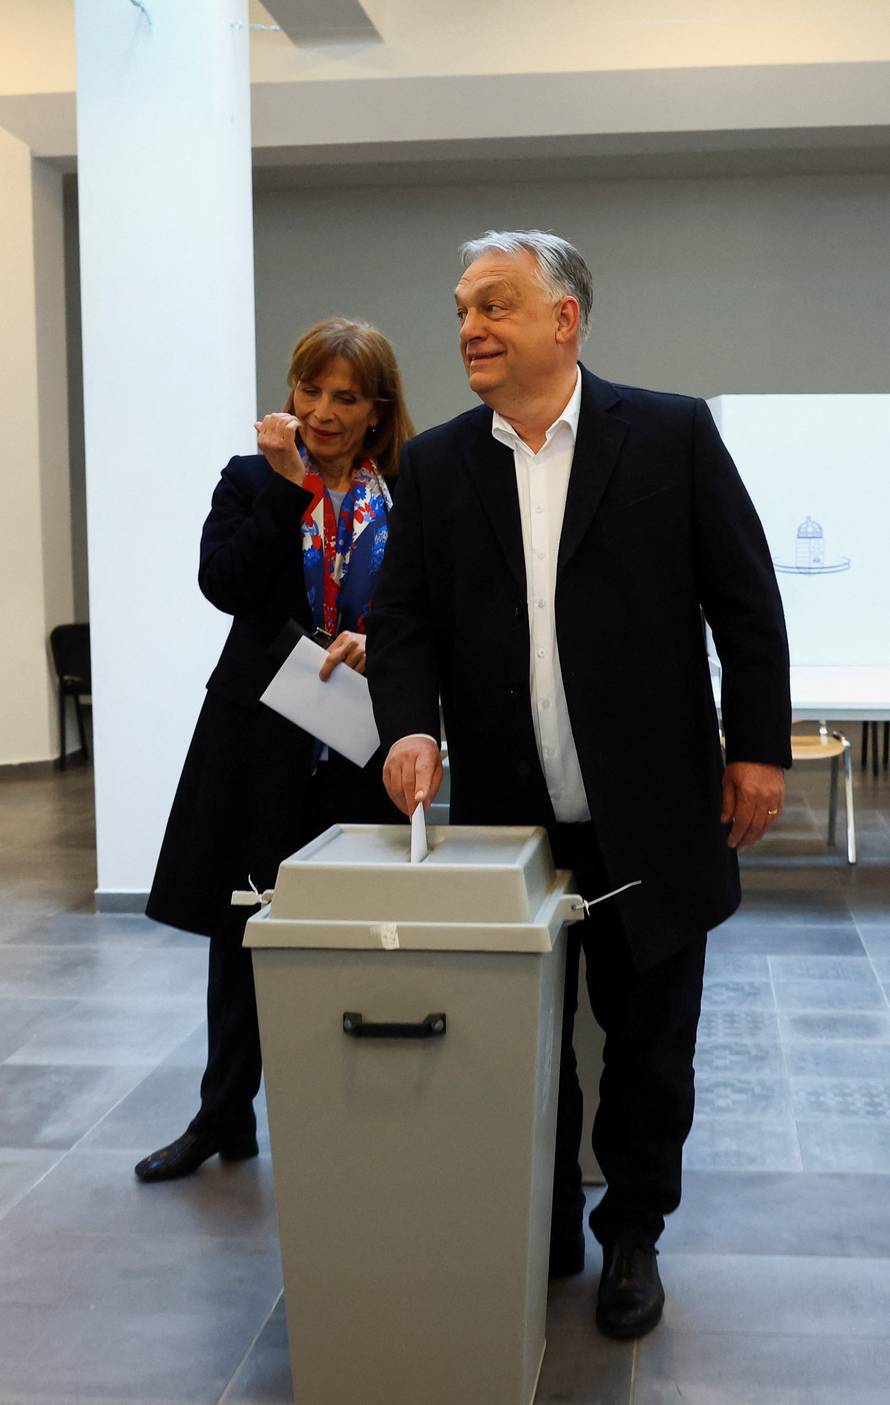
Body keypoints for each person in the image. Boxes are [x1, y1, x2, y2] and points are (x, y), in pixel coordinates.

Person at [365, 231, 790, 1339]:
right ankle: (544, 1219)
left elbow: (745, 604)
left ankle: (633, 1233)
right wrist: (407, 724)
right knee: (519, 1035)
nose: (470, 326)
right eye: (462, 307)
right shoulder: (437, 464)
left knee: (648, 1044)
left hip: (652, 813)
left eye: (495, 304)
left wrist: (756, 749)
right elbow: (401, 620)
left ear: (564, 319)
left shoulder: (669, 434)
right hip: (509, 826)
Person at [136, 318, 413, 1183]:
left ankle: (348, 1117)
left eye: (345, 397)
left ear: (376, 411)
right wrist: (290, 490)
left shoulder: (405, 490)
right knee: (241, 924)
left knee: (353, 929)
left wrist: (380, 640)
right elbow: (225, 585)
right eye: (309, 389)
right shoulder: (252, 478)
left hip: (361, 738)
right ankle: (223, 1114)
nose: (322, 411)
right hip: (259, 736)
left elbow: (429, 604)